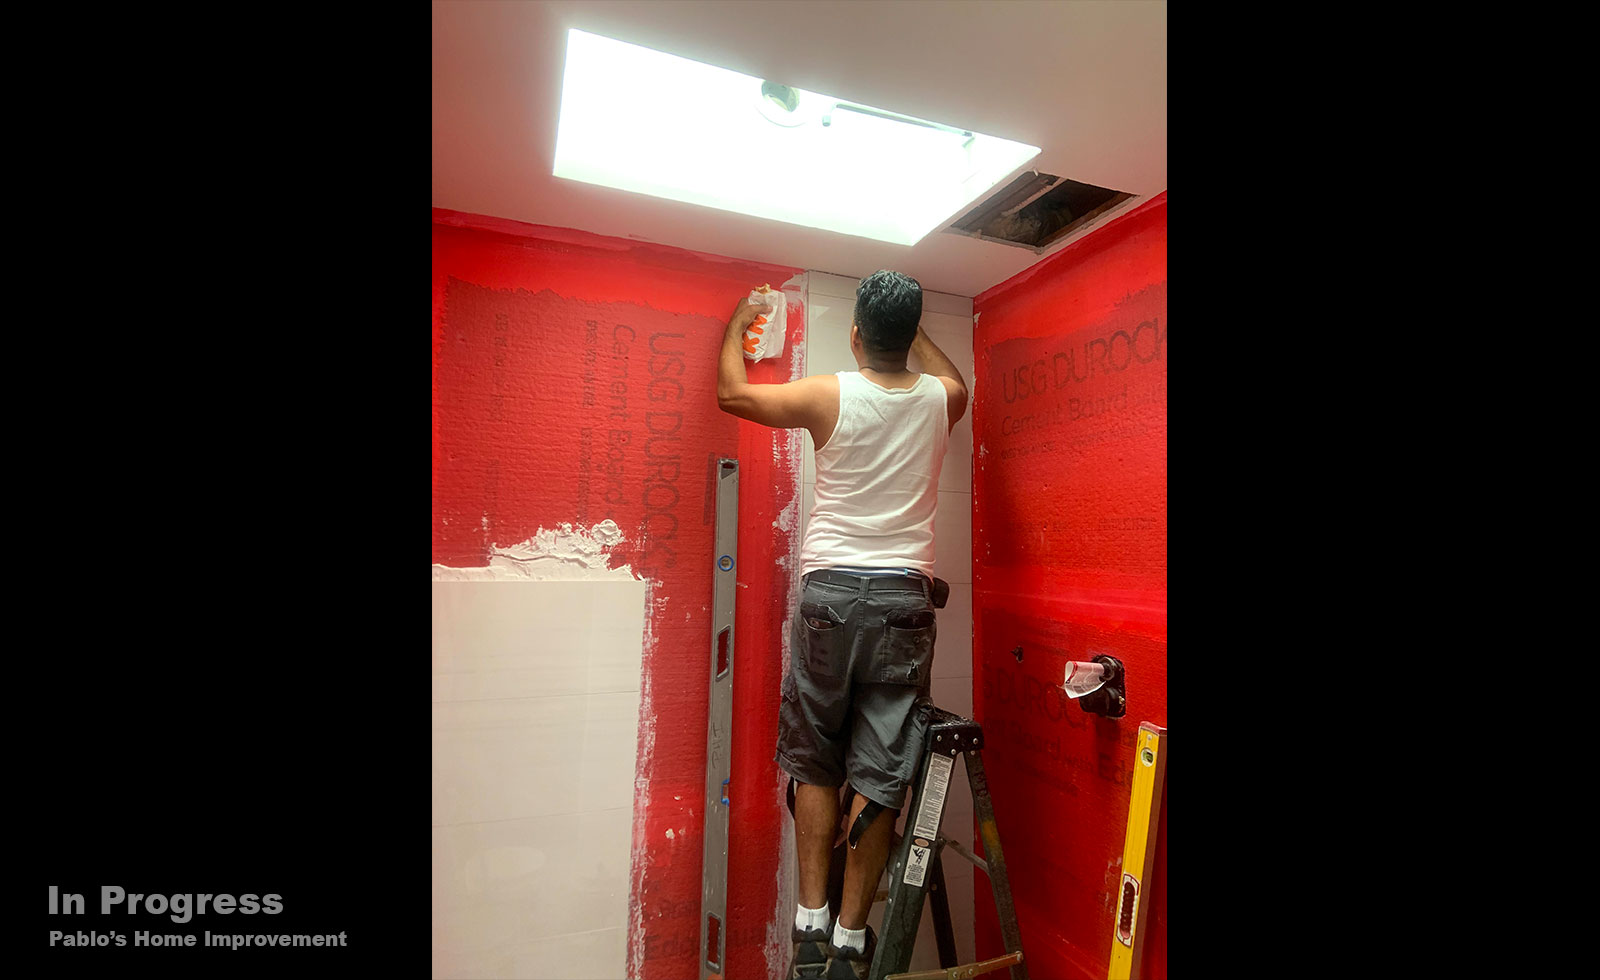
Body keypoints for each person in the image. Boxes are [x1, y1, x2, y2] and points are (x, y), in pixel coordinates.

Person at [716, 270, 968, 980]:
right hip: (903, 601)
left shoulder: (831, 391)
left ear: (856, 335)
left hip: (831, 595)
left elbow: (731, 393)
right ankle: (853, 938)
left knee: (815, 755)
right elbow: (960, 386)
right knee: (883, 771)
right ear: (908, 339)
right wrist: (918, 336)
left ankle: (809, 923)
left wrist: (738, 323)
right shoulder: (937, 397)